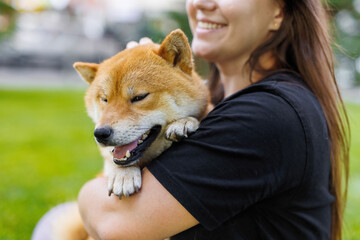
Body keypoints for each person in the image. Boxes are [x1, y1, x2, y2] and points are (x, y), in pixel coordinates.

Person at [77, 0, 350, 239]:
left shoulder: (266, 115)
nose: (201, 2)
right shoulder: (227, 102)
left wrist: (88, 194)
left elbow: (115, 226)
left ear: (279, 11)